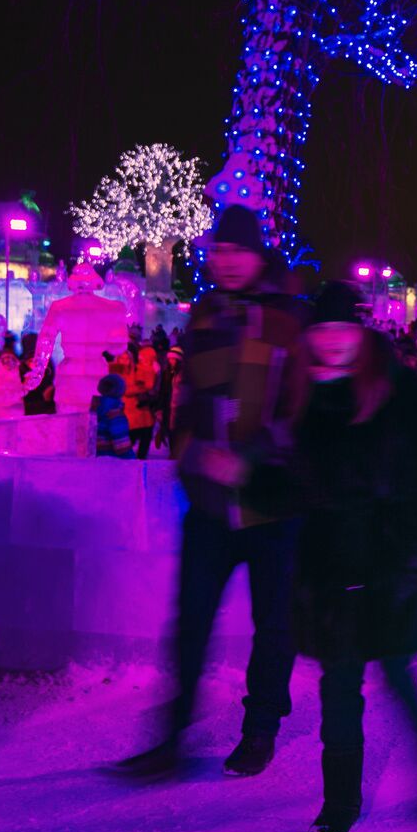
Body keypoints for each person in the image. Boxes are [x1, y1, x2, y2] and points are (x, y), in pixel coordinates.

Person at [112, 204, 306, 779]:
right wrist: (196, 456)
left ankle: (260, 729)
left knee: (274, 624)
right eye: (219, 251)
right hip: (211, 505)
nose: (226, 261)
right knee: (191, 618)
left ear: (258, 255)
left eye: (237, 251)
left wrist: (248, 460)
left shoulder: (289, 320)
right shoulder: (204, 316)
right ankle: (171, 739)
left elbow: (300, 408)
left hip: (274, 503)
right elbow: (189, 401)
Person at [293, 282, 417, 832]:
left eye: (343, 329)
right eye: (323, 330)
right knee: (339, 687)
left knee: (392, 674)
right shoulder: (303, 395)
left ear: (360, 332)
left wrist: (413, 550)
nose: (333, 342)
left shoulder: (397, 387)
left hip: (389, 565)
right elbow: (292, 481)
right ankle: (339, 806)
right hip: (329, 569)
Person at [93, 373, 134, 458]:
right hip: (112, 462)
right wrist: (132, 461)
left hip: (96, 460)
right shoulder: (115, 414)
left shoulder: (94, 410)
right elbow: (122, 446)